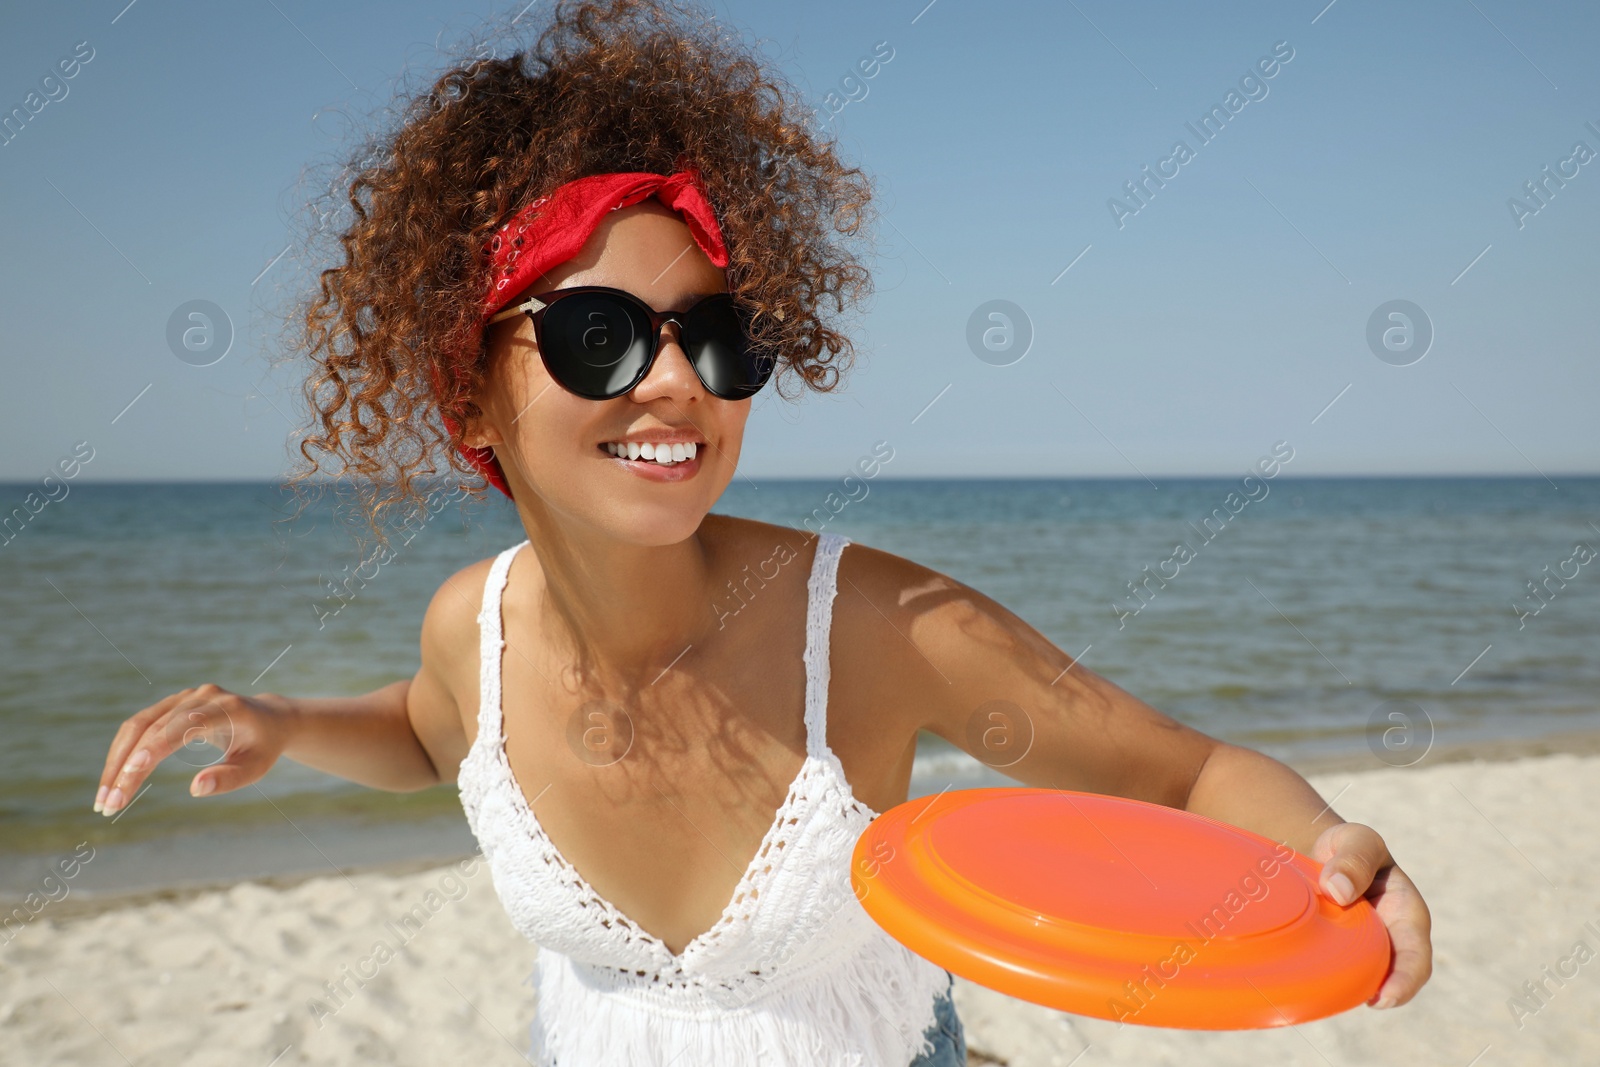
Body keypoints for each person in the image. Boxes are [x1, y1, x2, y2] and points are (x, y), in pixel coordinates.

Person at [92, 1, 1432, 1063]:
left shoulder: (878, 632)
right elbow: (433, 725)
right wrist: (284, 722)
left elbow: (1187, 778)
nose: (675, 384)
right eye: (600, 337)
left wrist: (1331, 848)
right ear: (469, 390)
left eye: (717, 337)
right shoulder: (473, 629)